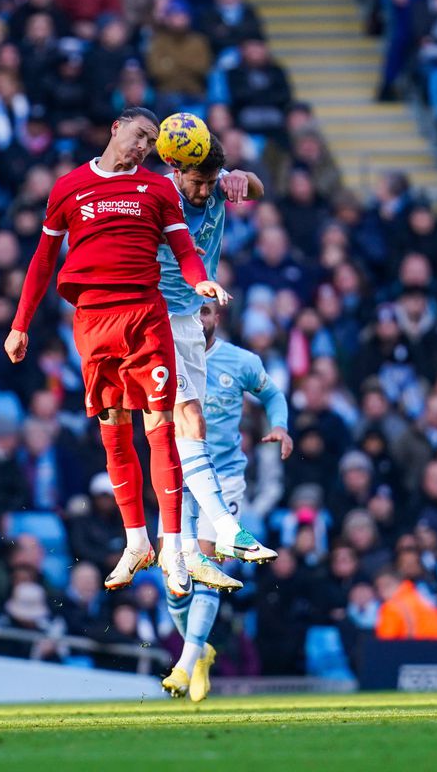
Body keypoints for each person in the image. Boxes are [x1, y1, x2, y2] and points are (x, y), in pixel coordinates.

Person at [5, 106, 231, 596]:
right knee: (112, 428)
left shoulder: (156, 189)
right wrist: (20, 324)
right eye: (138, 135)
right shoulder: (68, 187)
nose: (142, 146)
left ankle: (173, 546)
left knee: (160, 426)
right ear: (115, 128)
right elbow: (43, 260)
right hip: (91, 320)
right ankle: (136, 541)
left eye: (150, 142)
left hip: (144, 318)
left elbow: (185, 249)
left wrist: (202, 282)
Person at [158, 135, 277, 588]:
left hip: (189, 316)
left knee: (187, 429)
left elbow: (257, 189)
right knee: (184, 421)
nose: (205, 192)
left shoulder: (218, 182)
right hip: (158, 315)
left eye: (211, 182)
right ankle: (211, 536)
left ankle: (186, 549)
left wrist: (244, 178)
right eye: (198, 182)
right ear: (177, 172)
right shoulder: (160, 195)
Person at [161, 302, 291, 699]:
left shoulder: (240, 361)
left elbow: (272, 395)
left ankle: (184, 664)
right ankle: (199, 649)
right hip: (176, 476)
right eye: (192, 313)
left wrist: (281, 426)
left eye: (206, 312)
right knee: (175, 580)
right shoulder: (165, 356)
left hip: (225, 480)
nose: (199, 320)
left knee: (207, 566)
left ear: (217, 318)